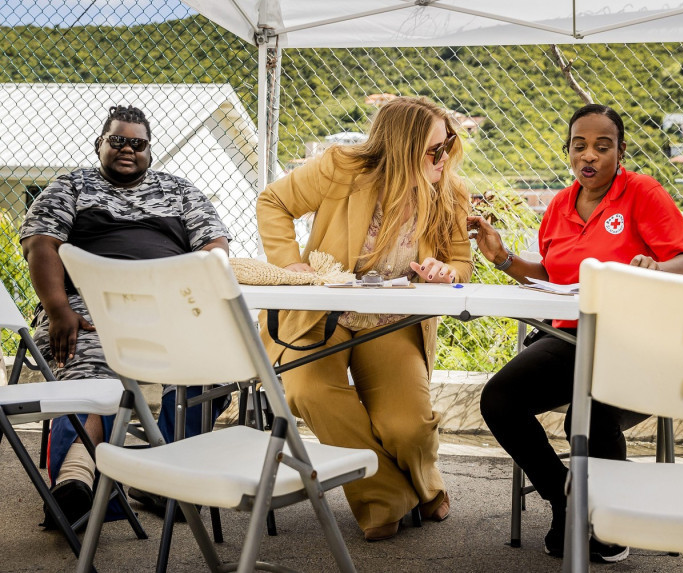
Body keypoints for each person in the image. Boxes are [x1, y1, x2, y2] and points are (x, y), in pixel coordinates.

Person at [468, 103, 683, 563]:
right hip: (571, 341)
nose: (589, 156)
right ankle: (568, 501)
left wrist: (655, 267)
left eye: (602, 146)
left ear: (620, 151)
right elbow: (553, 277)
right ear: (568, 152)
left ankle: (611, 525)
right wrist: (503, 259)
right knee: (499, 400)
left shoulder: (643, 193)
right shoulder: (558, 204)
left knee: (587, 415)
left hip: (636, 343)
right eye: (579, 146)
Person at [257, 96, 473, 541]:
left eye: (448, 143)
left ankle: (424, 479)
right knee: (306, 389)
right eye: (435, 149)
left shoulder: (450, 191)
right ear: (401, 148)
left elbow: (460, 262)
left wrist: (446, 272)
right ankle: (384, 497)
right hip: (325, 312)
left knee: (406, 426)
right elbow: (273, 201)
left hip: (392, 320)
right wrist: (290, 263)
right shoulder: (341, 167)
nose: (445, 155)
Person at [20, 105, 231, 527]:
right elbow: (41, 244)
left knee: (213, 367)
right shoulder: (71, 187)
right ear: (100, 143)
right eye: (117, 140)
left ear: (150, 151)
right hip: (87, 312)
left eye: (138, 143)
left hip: (167, 311)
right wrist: (59, 309)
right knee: (93, 373)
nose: (127, 149)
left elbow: (214, 250)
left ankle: (165, 481)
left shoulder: (180, 191)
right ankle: (76, 485)